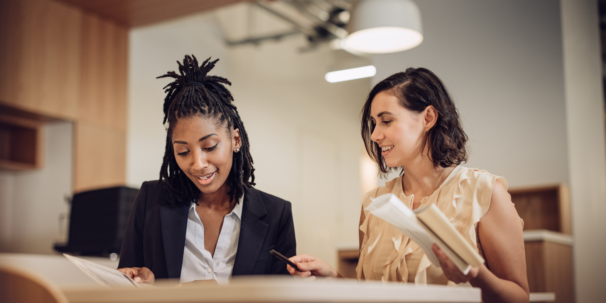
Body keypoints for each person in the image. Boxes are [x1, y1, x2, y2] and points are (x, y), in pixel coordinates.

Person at [287, 68, 529, 303]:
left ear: (428, 118)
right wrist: (331, 278)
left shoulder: (485, 192)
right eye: (374, 123)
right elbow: (368, 294)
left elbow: (519, 297)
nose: (374, 135)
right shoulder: (373, 203)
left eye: (386, 121)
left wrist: (478, 277)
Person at [118, 55, 296, 285]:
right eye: (183, 151)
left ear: (236, 139)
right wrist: (140, 285)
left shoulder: (276, 215)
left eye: (209, 146)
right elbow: (124, 282)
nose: (197, 163)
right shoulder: (151, 200)